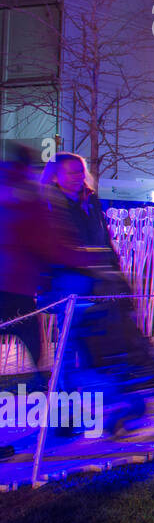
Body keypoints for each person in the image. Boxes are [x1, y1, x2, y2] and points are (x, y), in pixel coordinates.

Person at [40, 152, 154, 433]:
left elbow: (105, 241)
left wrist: (116, 273)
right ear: (56, 176)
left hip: (102, 283)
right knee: (70, 348)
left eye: (79, 172)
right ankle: (64, 410)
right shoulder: (51, 205)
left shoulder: (89, 201)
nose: (75, 177)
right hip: (72, 285)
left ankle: (120, 395)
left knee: (110, 342)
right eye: (69, 172)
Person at [0, 146, 88, 390]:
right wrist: (82, 260)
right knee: (34, 345)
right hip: (17, 285)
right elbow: (46, 243)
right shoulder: (32, 198)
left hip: (13, 282)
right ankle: (52, 402)